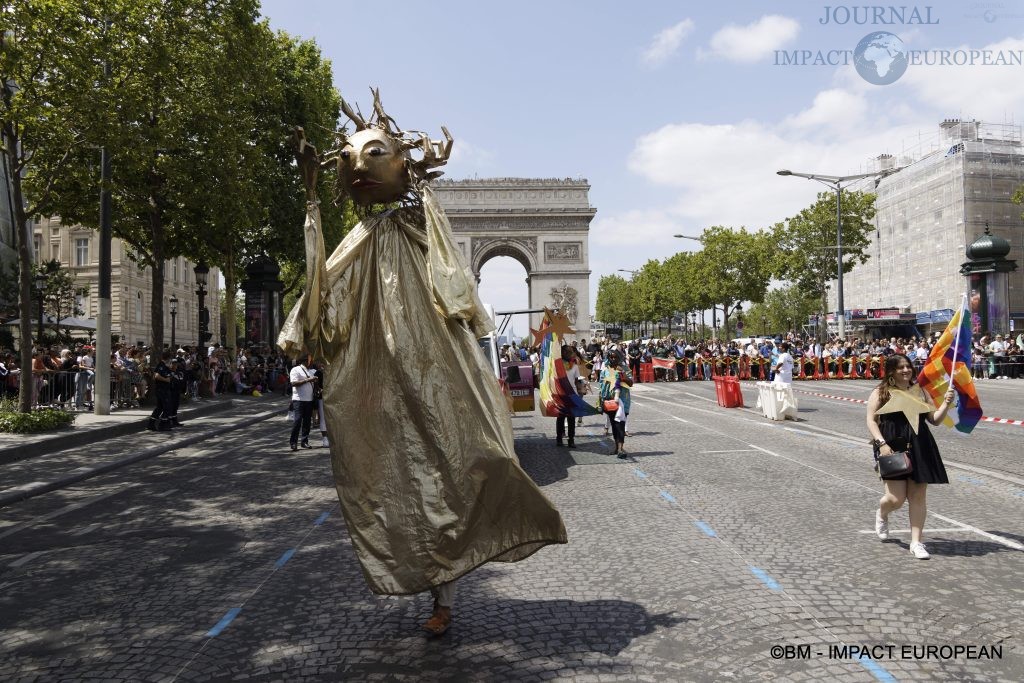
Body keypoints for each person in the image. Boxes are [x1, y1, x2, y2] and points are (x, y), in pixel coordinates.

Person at [279, 97, 565, 636]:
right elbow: (324, 284)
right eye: (349, 158)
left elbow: (453, 283)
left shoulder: (420, 228)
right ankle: (434, 581)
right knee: (401, 482)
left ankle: (447, 594)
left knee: (462, 466)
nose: (358, 167)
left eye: (373, 155)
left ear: (404, 163)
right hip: (378, 379)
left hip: (433, 371)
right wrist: (312, 196)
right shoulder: (359, 239)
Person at [866, 354, 955, 560]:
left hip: (920, 445)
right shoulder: (881, 392)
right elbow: (871, 421)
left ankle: (916, 543)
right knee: (895, 499)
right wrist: (882, 444)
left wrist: (945, 405)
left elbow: (934, 420)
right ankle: (882, 512)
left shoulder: (920, 391)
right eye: (900, 367)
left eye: (908, 366)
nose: (905, 370)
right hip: (892, 445)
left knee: (917, 496)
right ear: (891, 371)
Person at [599, 349, 632, 458]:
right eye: (611, 357)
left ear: (619, 358)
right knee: (614, 425)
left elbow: (630, 383)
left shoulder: (625, 368)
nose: (613, 359)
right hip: (610, 402)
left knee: (620, 425)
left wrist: (622, 373)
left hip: (623, 401)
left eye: (615, 357)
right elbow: (601, 386)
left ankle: (621, 448)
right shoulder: (605, 371)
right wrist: (601, 401)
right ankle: (616, 447)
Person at [288, 354, 316, 451]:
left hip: (309, 400)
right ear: (305, 361)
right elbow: (293, 383)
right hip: (299, 400)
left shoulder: (311, 371)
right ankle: (293, 442)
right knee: (298, 420)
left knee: (307, 422)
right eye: (310, 360)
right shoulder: (295, 370)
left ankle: (304, 441)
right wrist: (308, 380)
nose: (311, 362)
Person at [554, 344, 580, 448]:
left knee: (571, 418)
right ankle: (559, 438)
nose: (568, 354)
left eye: (569, 352)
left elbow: (577, 380)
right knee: (560, 417)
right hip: (560, 394)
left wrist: (581, 390)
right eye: (566, 352)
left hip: (572, 394)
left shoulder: (575, 366)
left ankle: (571, 439)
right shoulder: (557, 365)